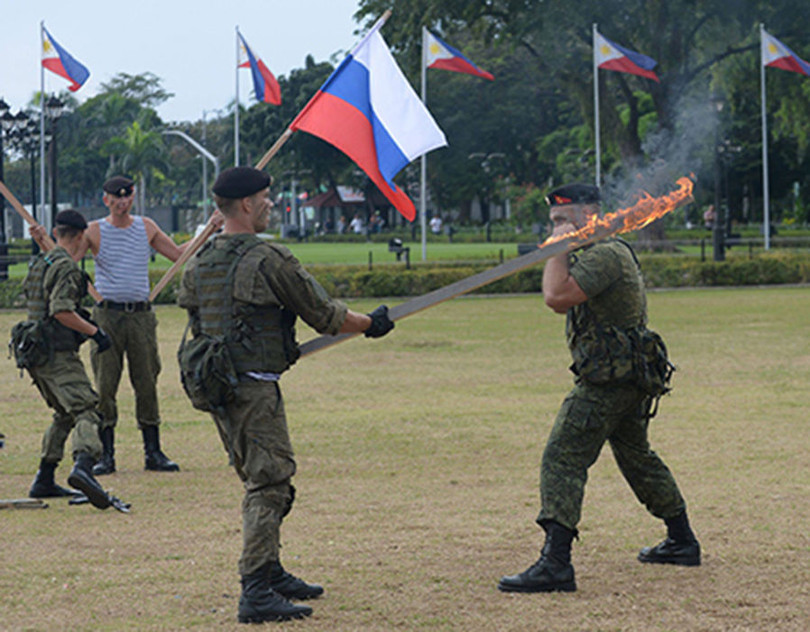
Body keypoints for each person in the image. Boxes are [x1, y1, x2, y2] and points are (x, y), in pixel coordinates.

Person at [177, 167, 395, 624]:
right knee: (269, 483)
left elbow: (197, 320)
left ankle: (270, 570)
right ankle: (255, 588)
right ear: (247, 206)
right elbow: (322, 313)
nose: (272, 204)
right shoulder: (267, 257)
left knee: (267, 480)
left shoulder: (200, 261)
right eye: (265, 198)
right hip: (253, 386)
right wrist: (370, 324)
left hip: (218, 385)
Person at [498, 183, 700, 594]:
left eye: (562, 220)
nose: (554, 228)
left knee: (562, 456)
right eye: (552, 221)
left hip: (609, 381)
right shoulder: (595, 252)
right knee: (637, 457)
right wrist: (562, 244)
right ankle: (682, 540)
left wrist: (557, 247)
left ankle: (556, 563)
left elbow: (556, 296)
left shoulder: (605, 254)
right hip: (625, 376)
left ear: (588, 215)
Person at [76, 175, 221, 476]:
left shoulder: (146, 227)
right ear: (106, 200)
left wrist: (209, 230)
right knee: (105, 385)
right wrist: (43, 241)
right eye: (116, 197)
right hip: (108, 316)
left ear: (133, 198)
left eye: (127, 196)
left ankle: (153, 452)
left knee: (146, 381)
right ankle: (106, 455)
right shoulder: (94, 231)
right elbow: (68, 262)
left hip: (141, 315)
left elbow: (179, 256)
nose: (122, 202)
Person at [16, 211, 124, 510]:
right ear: (80, 237)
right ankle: (84, 468)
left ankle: (45, 478)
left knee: (64, 414)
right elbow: (61, 310)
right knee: (87, 410)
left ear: (56, 232)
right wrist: (96, 333)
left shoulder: (41, 262)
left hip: (35, 352)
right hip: (56, 353)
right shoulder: (67, 268)